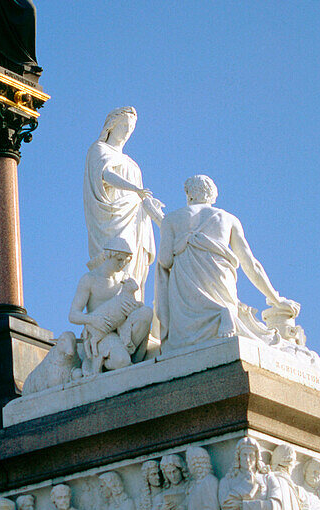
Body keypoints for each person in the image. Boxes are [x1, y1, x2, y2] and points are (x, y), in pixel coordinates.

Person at [157, 175, 298, 353]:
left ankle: (220, 314)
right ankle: (224, 312)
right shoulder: (228, 218)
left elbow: (165, 260)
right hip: (220, 279)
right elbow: (251, 264)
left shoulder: (170, 219)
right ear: (213, 196)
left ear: (188, 194)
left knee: (182, 345)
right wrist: (276, 299)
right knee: (224, 308)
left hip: (186, 291)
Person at [83, 108, 162, 301]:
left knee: (134, 264)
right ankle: (111, 306)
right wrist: (134, 188)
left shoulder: (132, 163)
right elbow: (106, 175)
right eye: (124, 125)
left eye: (132, 127)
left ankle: (132, 306)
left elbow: (142, 195)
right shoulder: (99, 149)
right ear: (112, 126)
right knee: (115, 258)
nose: (128, 131)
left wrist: (151, 204)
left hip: (135, 217)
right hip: (112, 216)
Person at [69, 237, 154, 374]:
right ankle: (109, 360)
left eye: (125, 261)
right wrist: (93, 320)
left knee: (146, 312)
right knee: (121, 361)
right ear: (108, 255)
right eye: (119, 260)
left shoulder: (124, 278)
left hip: (123, 328)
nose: (122, 264)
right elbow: (73, 315)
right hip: (103, 333)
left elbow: (132, 306)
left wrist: (134, 308)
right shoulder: (89, 279)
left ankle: (128, 356)